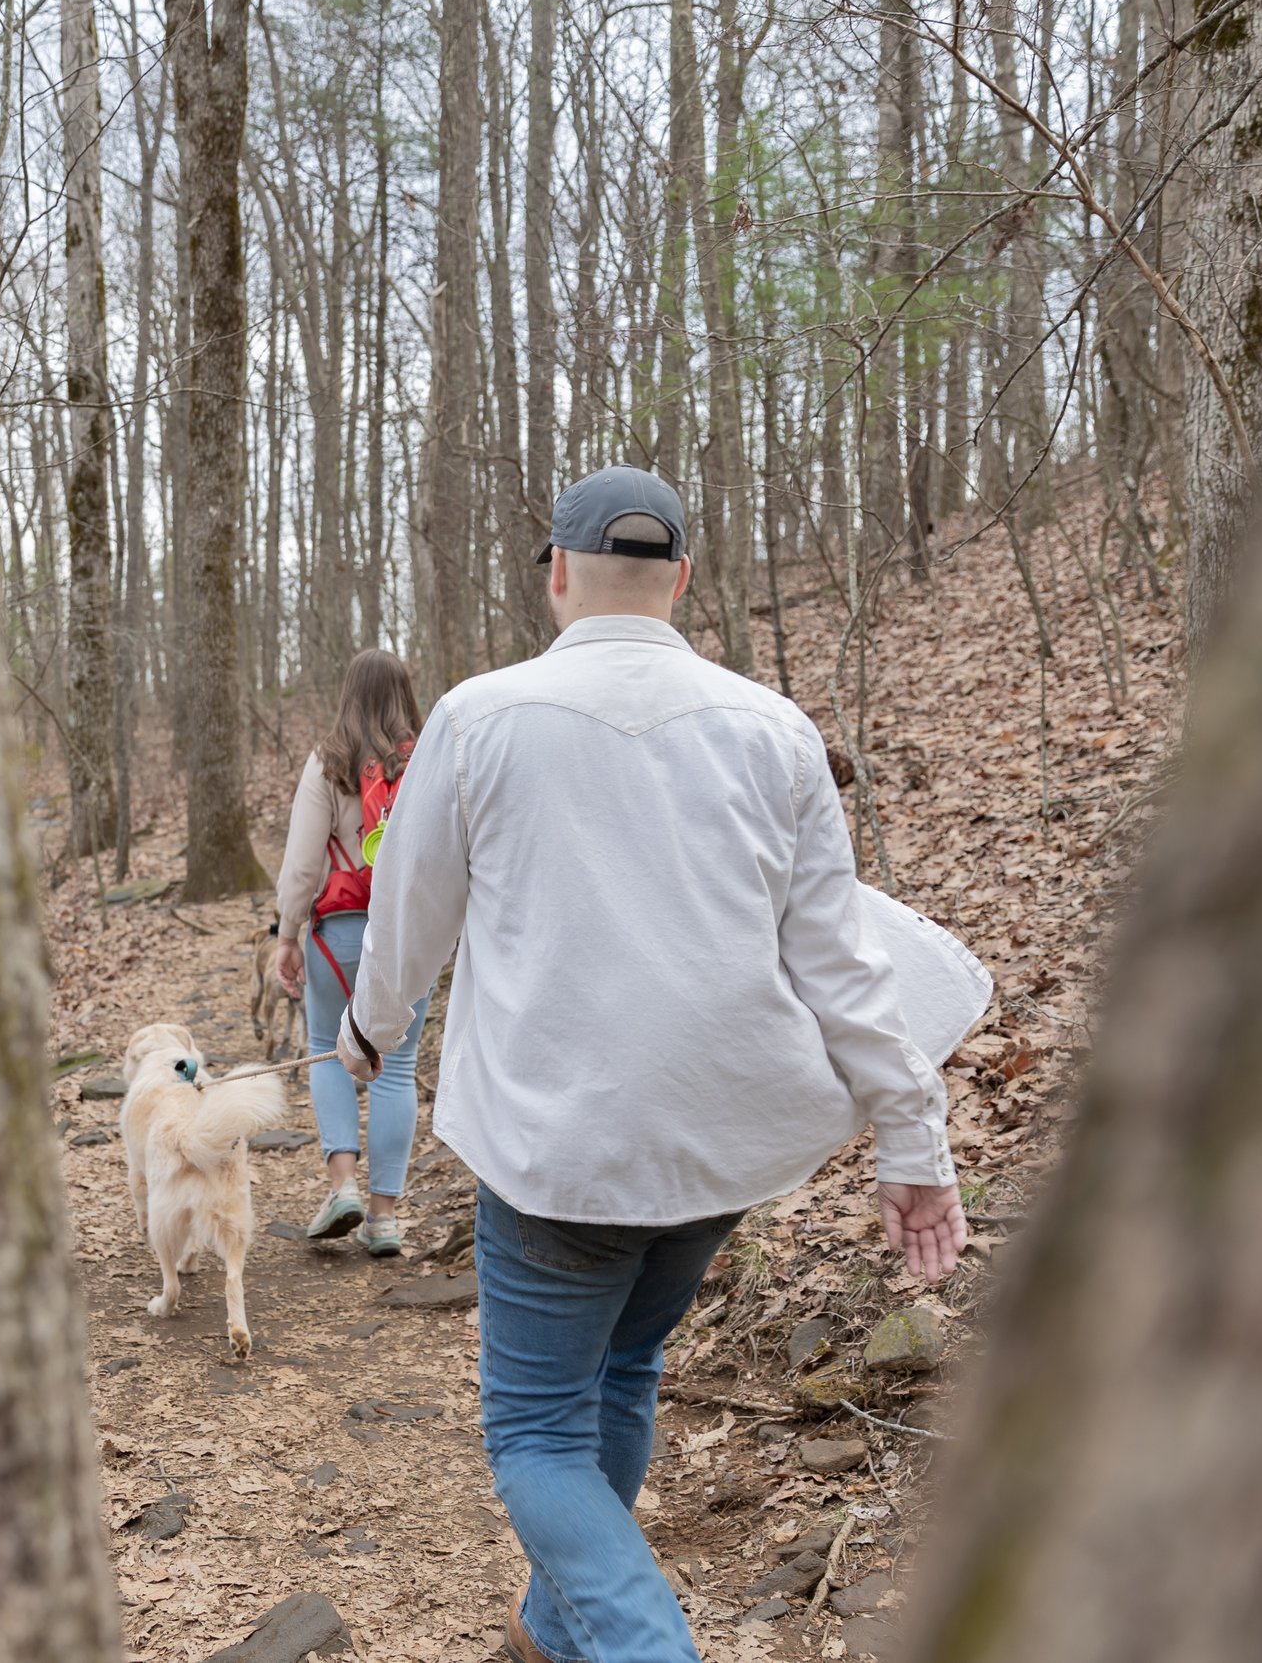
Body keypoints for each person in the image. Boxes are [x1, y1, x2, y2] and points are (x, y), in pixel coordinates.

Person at [335, 466, 966, 1663]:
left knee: (533, 1429)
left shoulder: (478, 717)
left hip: (557, 1146)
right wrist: (911, 1139)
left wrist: (368, 1034)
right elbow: (840, 963)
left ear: (557, 574)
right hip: (721, 1138)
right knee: (625, 1366)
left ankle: (635, 1645)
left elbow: (407, 922)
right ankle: (552, 1629)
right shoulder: (772, 728)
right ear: (681, 579)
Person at [271, 648, 436, 1256]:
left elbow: (302, 861)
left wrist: (287, 933)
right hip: (407, 935)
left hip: (336, 933)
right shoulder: (425, 760)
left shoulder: (329, 762)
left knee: (326, 1049)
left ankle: (342, 1184)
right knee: (394, 1067)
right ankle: (385, 1217)